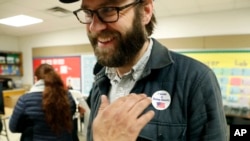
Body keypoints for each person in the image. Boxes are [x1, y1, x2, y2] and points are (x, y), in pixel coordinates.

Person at [62, 0, 228, 140]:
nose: (94, 27)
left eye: (108, 10)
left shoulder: (195, 79)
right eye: (88, 13)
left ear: (145, 11)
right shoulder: (100, 80)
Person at [9, 63, 77, 141]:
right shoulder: (67, 96)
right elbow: (71, 116)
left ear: (35, 79)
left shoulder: (25, 100)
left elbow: (13, 127)